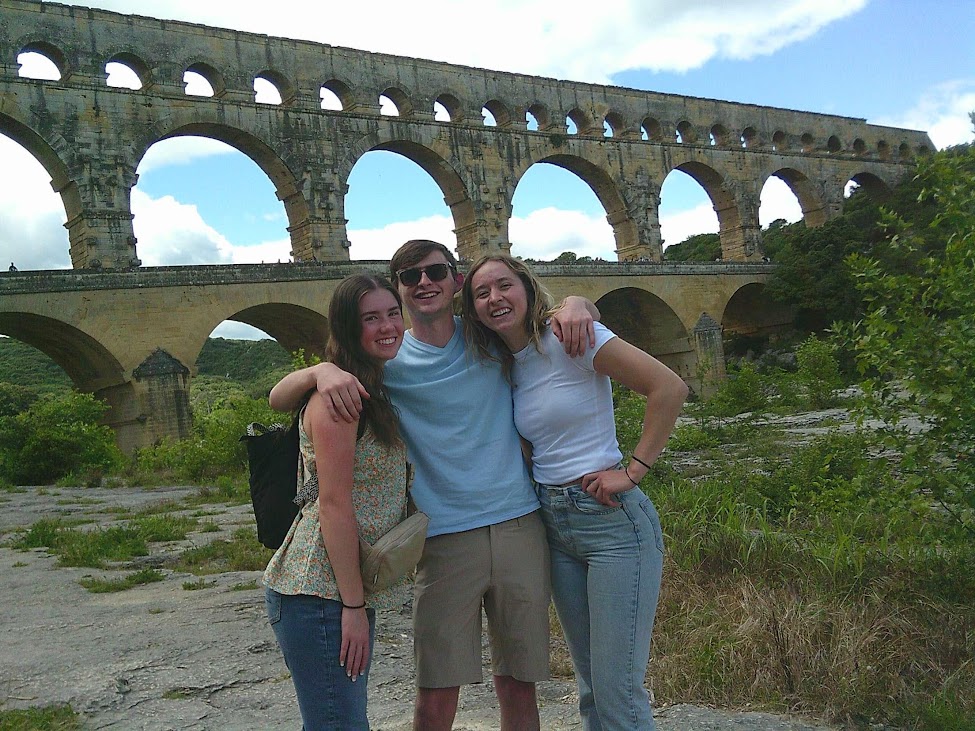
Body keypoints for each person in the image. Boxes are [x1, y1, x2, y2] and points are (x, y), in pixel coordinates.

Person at [269, 240, 598, 731]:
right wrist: (320, 370)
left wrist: (579, 304)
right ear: (400, 289)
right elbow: (278, 399)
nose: (424, 282)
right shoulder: (386, 362)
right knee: (437, 694)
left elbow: (546, 314)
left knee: (519, 684)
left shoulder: (488, 337)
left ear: (455, 281)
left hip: (519, 526)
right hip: (443, 540)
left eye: (436, 271)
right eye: (410, 276)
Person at [460, 253, 688, 731]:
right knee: (589, 689)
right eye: (482, 293)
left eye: (504, 285)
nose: (495, 298)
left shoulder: (571, 337)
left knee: (617, 691)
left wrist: (633, 470)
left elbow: (668, 387)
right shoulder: (503, 364)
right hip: (555, 524)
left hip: (611, 522)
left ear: (526, 287)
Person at [262, 273, 411, 731]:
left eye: (392, 313)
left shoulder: (371, 386)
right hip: (319, 592)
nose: (387, 326)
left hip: (335, 588)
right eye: (371, 318)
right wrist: (352, 607)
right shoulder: (338, 400)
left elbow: (277, 398)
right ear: (348, 327)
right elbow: (334, 504)